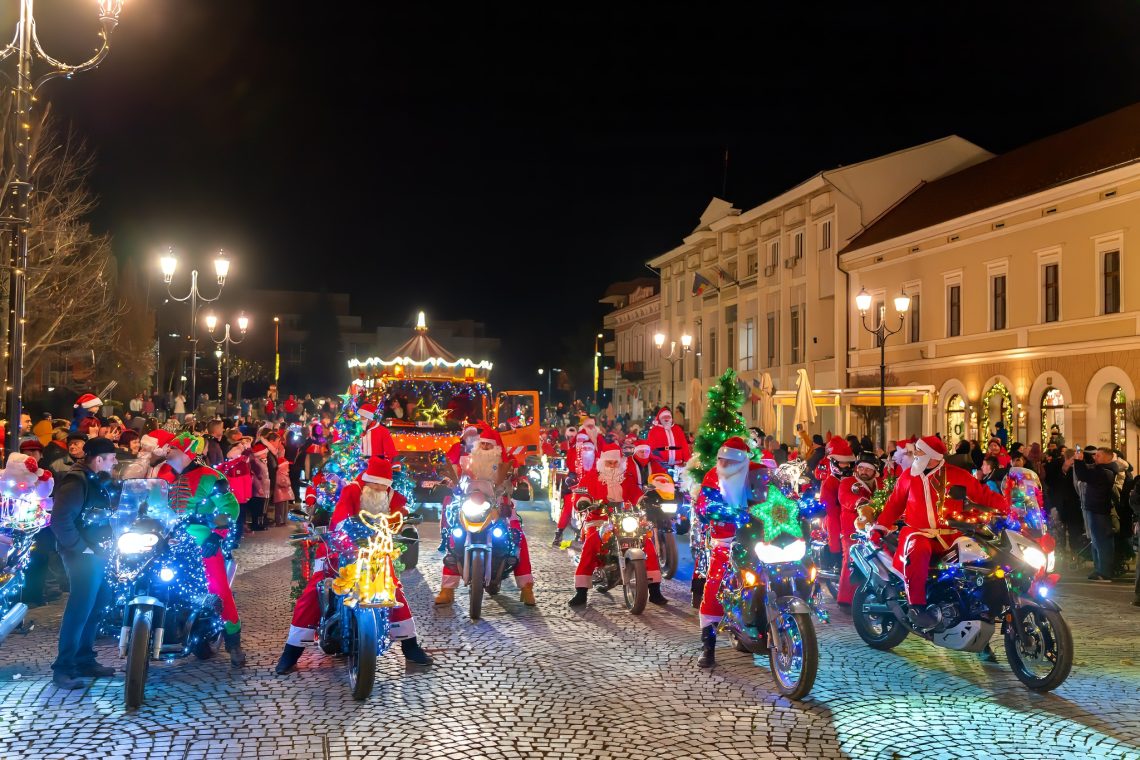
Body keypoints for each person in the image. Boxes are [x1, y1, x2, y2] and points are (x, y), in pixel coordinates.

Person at [276, 457, 434, 674]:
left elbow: (398, 517)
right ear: (366, 481)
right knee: (315, 590)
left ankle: (410, 645)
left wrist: (401, 523)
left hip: (376, 550)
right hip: (339, 549)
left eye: (383, 486)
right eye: (374, 485)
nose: (379, 489)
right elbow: (341, 519)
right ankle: (291, 651)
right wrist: (346, 541)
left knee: (393, 589)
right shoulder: (351, 491)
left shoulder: (391, 496)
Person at [871, 435, 1009, 630]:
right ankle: (916, 606)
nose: (916, 455)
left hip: (951, 534)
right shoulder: (908, 476)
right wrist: (881, 526)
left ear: (931, 456)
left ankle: (979, 608)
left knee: (980, 556)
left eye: (920, 452)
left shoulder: (957, 475)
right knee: (918, 551)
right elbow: (894, 504)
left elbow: (982, 494)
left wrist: (1009, 506)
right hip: (918, 532)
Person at [161, 433, 246, 666]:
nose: (166, 451)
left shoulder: (210, 477)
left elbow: (230, 509)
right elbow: (147, 504)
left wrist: (215, 536)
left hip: (202, 542)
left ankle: (233, 641)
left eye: (172, 448)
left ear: (187, 452)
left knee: (218, 588)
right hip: (165, 542)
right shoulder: (161, 476)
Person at [49, 437, 117, 689]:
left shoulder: (94, 479)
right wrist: (82, 548)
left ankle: (85, 659)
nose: (115, 462)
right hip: (82, 555)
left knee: (99, 602)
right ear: (98, 459)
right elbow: (60, 521)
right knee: (80, 608)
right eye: (112, 458)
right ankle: (63, 668)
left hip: (96, 552)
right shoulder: (76, 481)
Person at [567, 441, 667, 608]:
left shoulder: (627, 478)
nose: (613, 466)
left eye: (615, 462)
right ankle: (581, 590)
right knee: (592, 543)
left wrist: (644, 500)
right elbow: (581, 494)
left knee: (646, 543)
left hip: (624, 519)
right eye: (609, 462)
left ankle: (655, 589)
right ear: (602, 462)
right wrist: (584, 501)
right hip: (599, 519)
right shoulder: (591, 477)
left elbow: (635, 493)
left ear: (620, 462)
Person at [692, 436, 763, 667]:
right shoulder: (713, 475)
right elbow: (705, 505)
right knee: (715, 583)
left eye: (730, 461)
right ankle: (708, 645)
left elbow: (777, 495)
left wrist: (796, 505)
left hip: (758, 539)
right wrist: (727, 513)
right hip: (725, 540)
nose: (724, 464)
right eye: (722, 459)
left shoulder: (758, 472)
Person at [837, 451, 882, 608]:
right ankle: (846, 599)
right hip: (852, 529)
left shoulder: (880, 483)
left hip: (875, 528)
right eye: (861, 468)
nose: (864, 472)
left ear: (875, 471)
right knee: (851, 559)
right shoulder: (848, 482)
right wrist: (861, 503)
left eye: (868, 469)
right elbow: (845, 498)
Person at [1074, 446, 1122, 582]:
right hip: (1095, 509)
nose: (1095, 457)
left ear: (1107, 458)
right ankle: (1099, 569)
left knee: (1102, 542)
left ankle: (1105, 572)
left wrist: (1078, 459)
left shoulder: (1105, 472)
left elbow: (1083, 475)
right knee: (1096, 541)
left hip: (1099, 510)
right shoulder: (1103, 470)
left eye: (1099, 456)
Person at [819, 436, 855, 572]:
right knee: (833, 527)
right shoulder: (830, 482)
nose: (846, 466)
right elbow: (829, 509)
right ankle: (836, 559)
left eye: (848, 463)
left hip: (853, 518)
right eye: (842, 463)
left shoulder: (852, 479)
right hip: (837, 517)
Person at [552, 431, 595, 546]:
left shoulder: (593, 454)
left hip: (591, 487)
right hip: (575, 485)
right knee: (568, 506)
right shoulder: (572, 451)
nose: (581, 443)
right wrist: (572, 479)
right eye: (579, 440)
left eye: (583, 440)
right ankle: (559, 532)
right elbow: (571, 469)